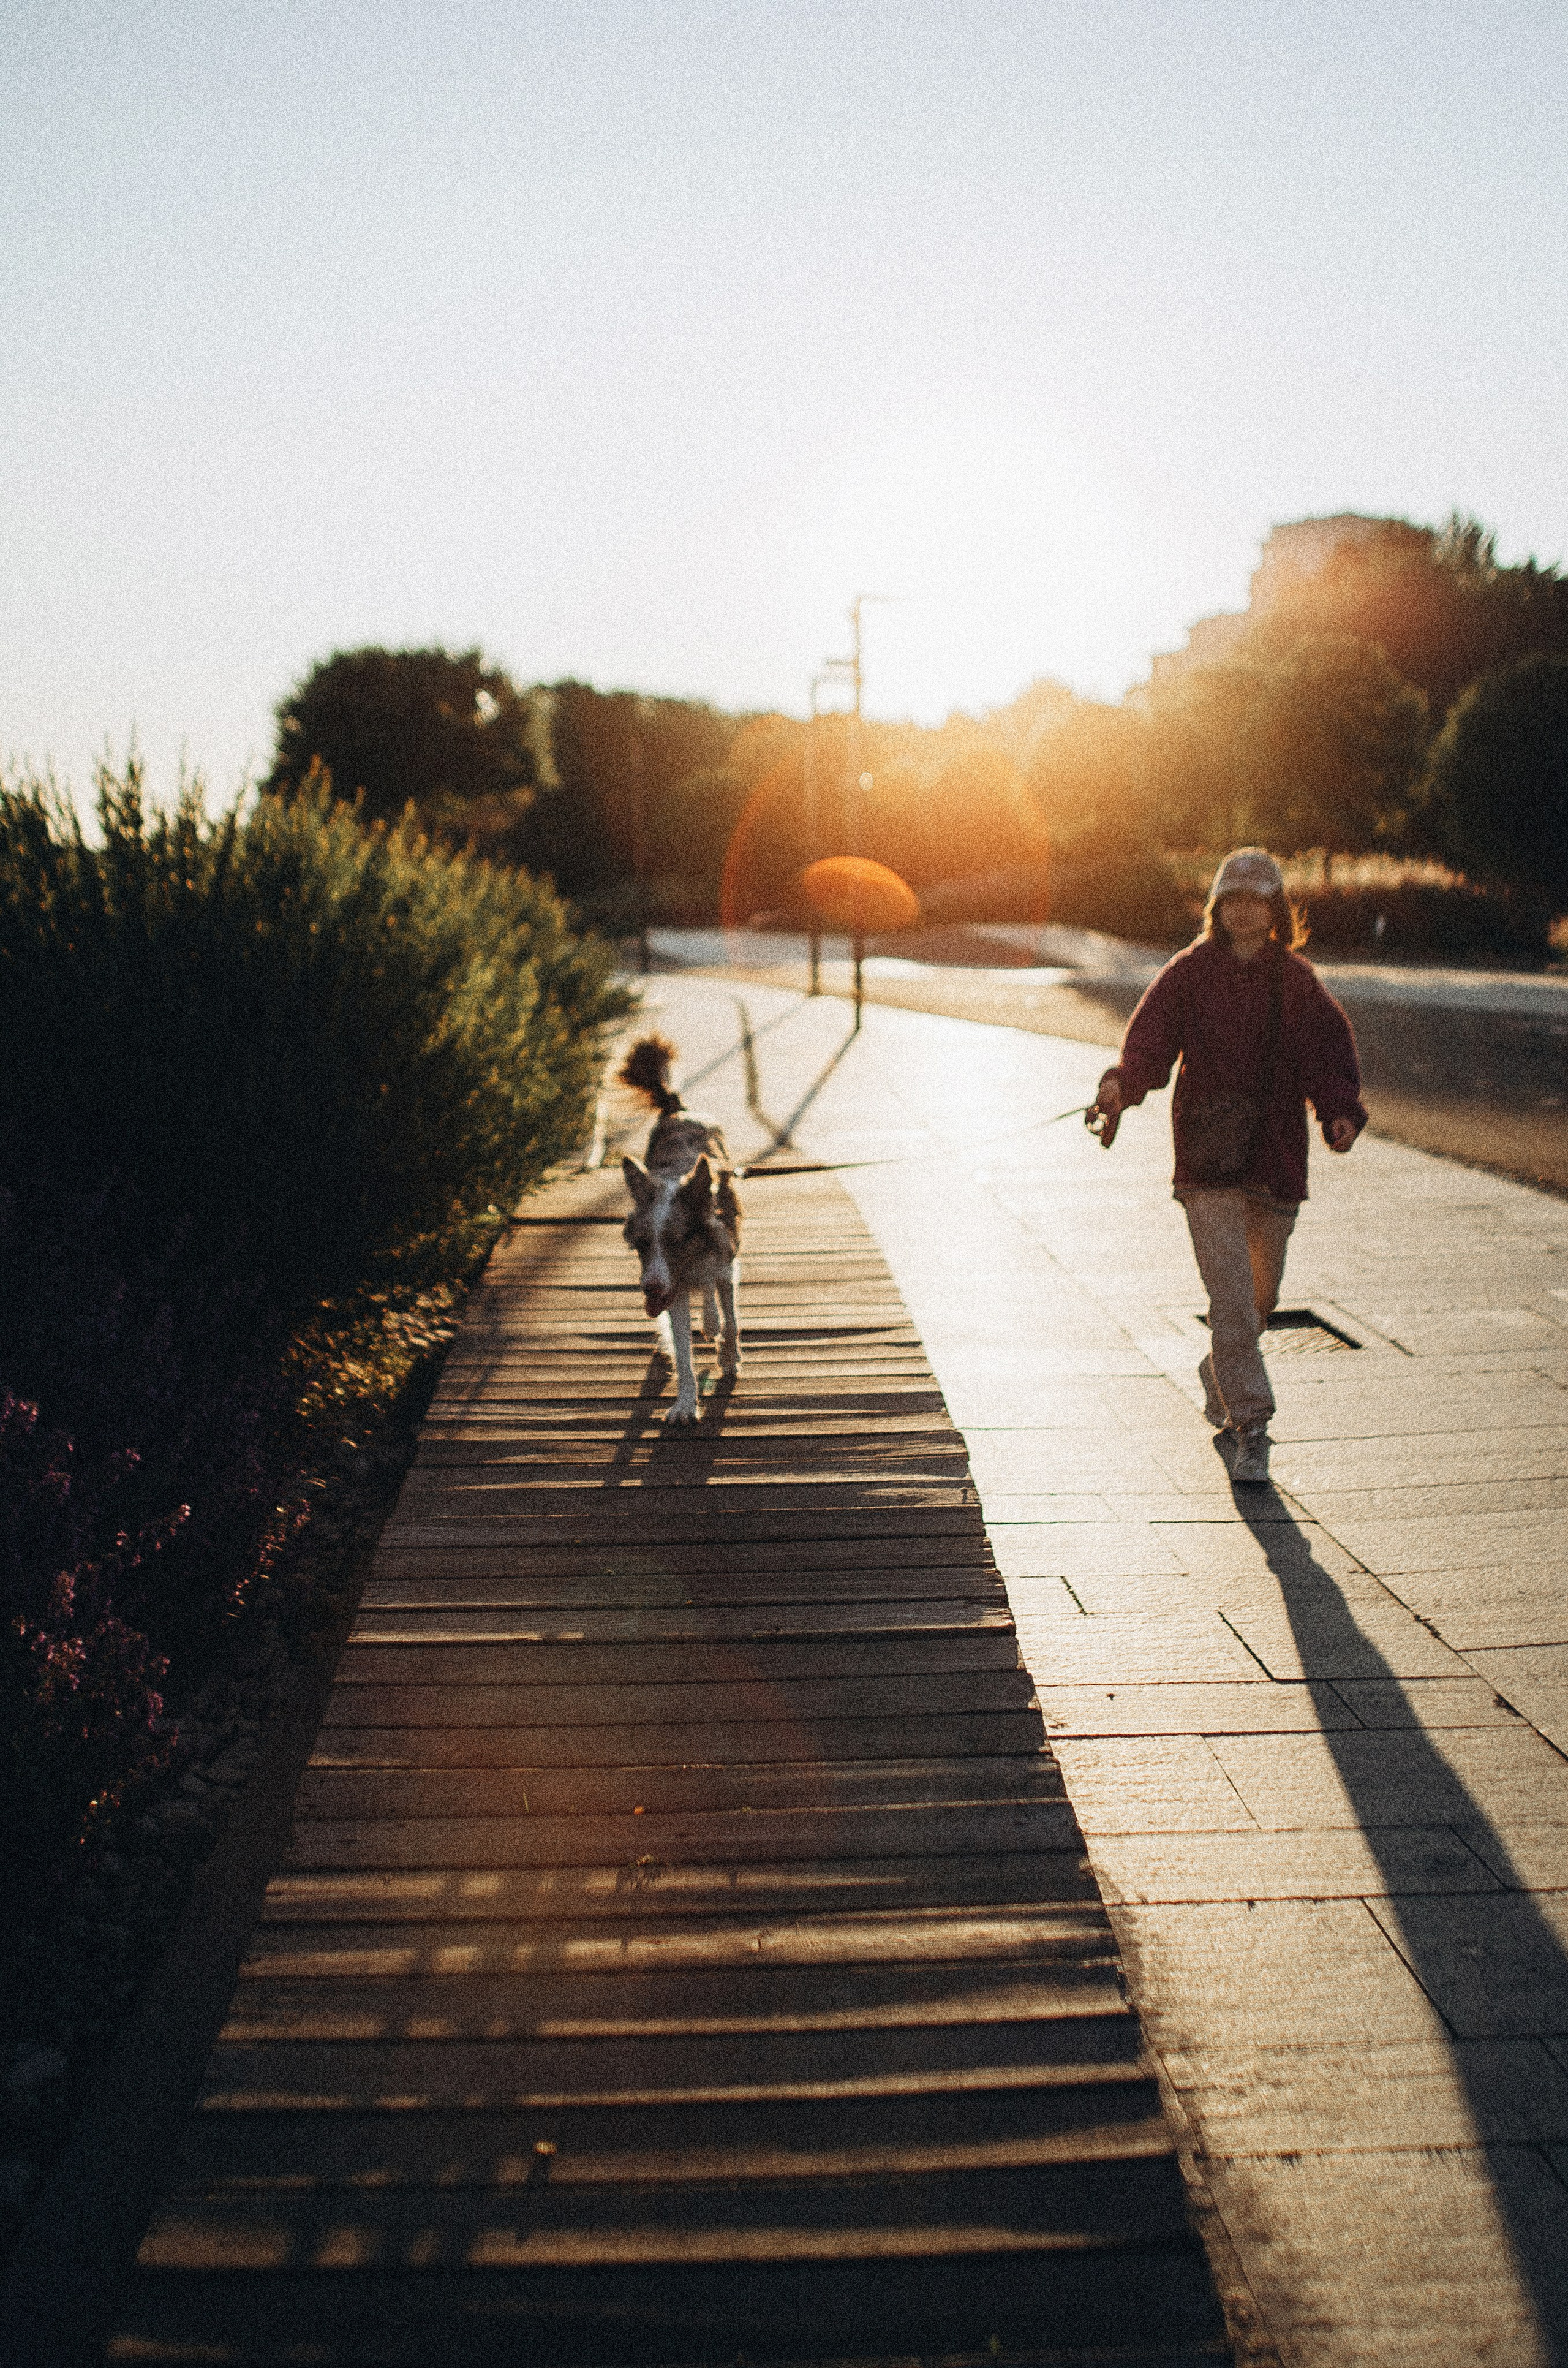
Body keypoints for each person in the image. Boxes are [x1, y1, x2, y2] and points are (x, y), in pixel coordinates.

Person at [1085, 847, 1366, 1485]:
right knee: (1233, 1300)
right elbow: (1149, 1045)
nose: (1243, 912)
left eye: (1256, 900)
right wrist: (1120, 1085)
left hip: (1274, 1156)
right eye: (1231, 900)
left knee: (1258, 1299)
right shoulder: (1189, 972)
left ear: (1275, 911)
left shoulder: (1295, 980)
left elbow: (1329, 1053)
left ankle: (1221, 1372)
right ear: (1217, 909)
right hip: (1206, 1156)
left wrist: (1339, 1112)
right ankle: (1253, 1426)